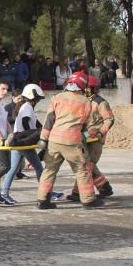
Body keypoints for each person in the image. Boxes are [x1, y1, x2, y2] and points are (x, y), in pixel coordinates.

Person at [37, 73, 101, 209]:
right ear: (82, 86)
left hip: (54, 140)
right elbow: (88, 124)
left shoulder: (57, 98)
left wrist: (43, 138)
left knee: (49, 170)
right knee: (82, 169)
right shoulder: (86, 102)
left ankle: (43, 201)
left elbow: (49, 119)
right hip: (72, 142)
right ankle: (89, 200)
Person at [68, 75, 116, 201]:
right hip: (84, 138)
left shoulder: (100, 103)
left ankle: (103, 188)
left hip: (95, 141)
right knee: (84, 165)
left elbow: (109, 120)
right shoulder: (83, 101)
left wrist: (100, 132)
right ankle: (80, 192)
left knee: (88, 165)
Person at [0, 84, 45, 205]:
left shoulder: (25, 106)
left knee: (13, 169)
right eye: (38, 98)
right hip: (23, 143)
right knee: (39, 168)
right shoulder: (27, 107)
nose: (38, 101)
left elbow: (35, 124)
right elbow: (26, 124)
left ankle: (4, 194)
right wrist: (32, 138)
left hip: (18, 142)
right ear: (33, 97)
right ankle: (46, 191)